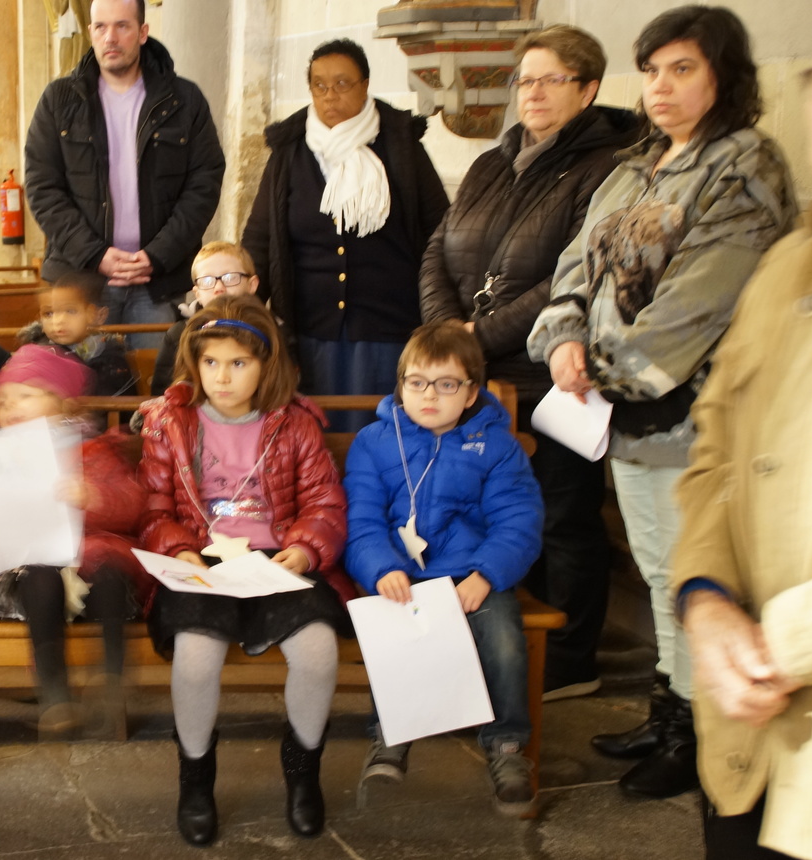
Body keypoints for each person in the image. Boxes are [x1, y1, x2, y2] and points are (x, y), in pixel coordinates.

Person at [526, 5, 797, 799]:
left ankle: (700, 737)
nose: (661, 86)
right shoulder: (632, 167)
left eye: (682, 69)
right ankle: (670, 711)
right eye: (651, 71)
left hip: (698, 413)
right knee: (657, 568)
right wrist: (565, 337)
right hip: (623, 410)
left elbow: (701, 301)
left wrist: (597, 367)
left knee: (698, 571)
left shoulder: (743, 166)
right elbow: (573, 265)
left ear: (724, 77)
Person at [419, 25, 641, 702]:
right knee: (491, 512)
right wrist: (444, 334)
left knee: (560, 512)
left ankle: (571, 655)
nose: (533, 93)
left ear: (589, 89)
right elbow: (438, 245)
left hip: (548, 369)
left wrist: (478, 337)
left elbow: (575, 275)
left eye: (552, 80)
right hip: (475, 370)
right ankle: (505, 644)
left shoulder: (608, 166)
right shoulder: (495, 160)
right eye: (526, 80)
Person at [671, 42, 812, 860]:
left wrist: (779, 643)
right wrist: (704, 594)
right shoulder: (788, 264)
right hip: (746, 730)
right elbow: (717, 445)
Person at [137, 295, 351, 845]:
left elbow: (325, 505)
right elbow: (154, 511)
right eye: (211, 363)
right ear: (195, 363)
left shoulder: (294, 425)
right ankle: (196, 777)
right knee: (195, 656)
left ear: (265, 366)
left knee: (318, 650)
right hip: (204, 563)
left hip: (277, 561)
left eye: (239, 363)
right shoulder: (173, 423)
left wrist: (305, 550)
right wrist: (182, 551)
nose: (223, 377)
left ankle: (303, 772)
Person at [343, 320, 543, 814]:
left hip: (472, 575)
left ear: (471, 390)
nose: (429, 395)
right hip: (400, 575)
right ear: (401, 385)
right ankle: (391, 735)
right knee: (392, 625)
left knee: (503, 639)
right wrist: (381, 567)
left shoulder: (496, 447)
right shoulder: (373, 442)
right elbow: (361, 519)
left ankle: (507, 747)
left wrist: (486, 575)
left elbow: (518, 520)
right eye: (417, 382)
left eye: (446, 384)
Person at [242, 38, 448, 432]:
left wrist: (443, 314)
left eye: (342, 84)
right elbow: (260, 237)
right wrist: (240, 305)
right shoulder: (289, 151)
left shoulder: (401, 144)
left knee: (381, 435)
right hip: (310, 328)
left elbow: (440, 232)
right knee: (317, 437)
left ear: (365, 85)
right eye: (319, 85)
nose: (329, 95)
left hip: (388, 328)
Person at [0, 344, 150, 739]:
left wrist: (93, 498)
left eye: (26, 395)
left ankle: (111, 679)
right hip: (32, 562)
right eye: (3, 401)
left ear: (62, 402)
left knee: (109, 573)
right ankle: (54, 693)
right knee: (39, 578)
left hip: (93, 554)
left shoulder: (95, 449)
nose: (11, 407)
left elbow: (132, 503)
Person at [24, 0, 225, 350]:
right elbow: (43, 188)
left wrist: (158, 254)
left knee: (156, 392)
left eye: (122, 26)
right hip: (80, 283)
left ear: (143, 32)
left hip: (159, 282)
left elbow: (203, 185)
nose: (110, 37)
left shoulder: (184, 100)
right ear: (90, 33)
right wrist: (94, 254)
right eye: (100, 27)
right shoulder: (59, 100)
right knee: (80, 397)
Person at [150, 241, 261, 396]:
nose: (219, 287)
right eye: (207, 281)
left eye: (230, 278)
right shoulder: (179, 334)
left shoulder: (269, 330)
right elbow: (163, 394)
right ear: (197, 294)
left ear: (252, 285)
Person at [17, 271, 137, 396]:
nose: (57, 321)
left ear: (98, 316)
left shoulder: (112, 360)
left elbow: (113, 408)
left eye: (70, 311)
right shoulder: (33, 355)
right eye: (49, 314)